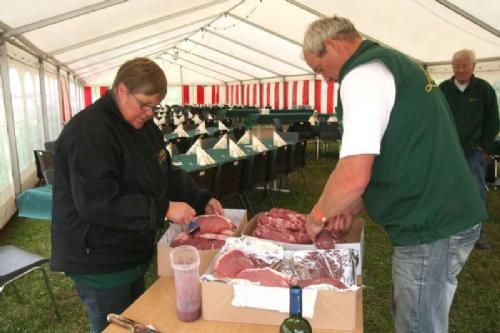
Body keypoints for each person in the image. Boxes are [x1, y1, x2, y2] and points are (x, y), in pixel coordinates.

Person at [302, 16, 485, 333]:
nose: (327, 80)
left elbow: (353, 174)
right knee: (420, 315)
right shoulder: (392, 64)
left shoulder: (362, 75)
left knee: (417, 324)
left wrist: (318, 215)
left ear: (331, 44)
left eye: (320, 68)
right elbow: (394, 154)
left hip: (430, 224)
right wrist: (348, 206)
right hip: (447, 214)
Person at [50, 57, 223, 333]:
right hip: (98, 257)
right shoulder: (90, 132)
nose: (148, 113)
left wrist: (201, 197)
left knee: (137, 322)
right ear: (121, 90)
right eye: (143, 104)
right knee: (114, 326)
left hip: (129, 250)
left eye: (154, 107)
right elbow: (97, 202)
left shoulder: (145, 127)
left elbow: (164, 171)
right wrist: (164, 209)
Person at [439, 49, 499, 250]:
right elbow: (435, 119)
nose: (460, 69)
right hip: (448, 152)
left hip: (474, 152)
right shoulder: (443, 89)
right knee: (446, 191)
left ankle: (477, 234)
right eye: (456, 65)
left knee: (475, 193)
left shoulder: (484, 89)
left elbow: (493, 121)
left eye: (464, 65)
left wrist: (484, 147)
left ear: (474, 66)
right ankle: (448, 229)